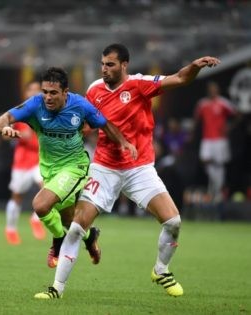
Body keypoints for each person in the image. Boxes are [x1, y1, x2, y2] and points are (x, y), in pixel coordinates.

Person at [34, 44, 220, 299]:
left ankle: (161, 270)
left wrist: (195, 67)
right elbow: (87, 123)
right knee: (77, 227)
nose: (105, 69)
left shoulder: (140, 84)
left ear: (124, 65)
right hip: (104, 168)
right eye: (103, 64)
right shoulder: (94, 90)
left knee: (173, 221)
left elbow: (179, 78)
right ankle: (56, 288)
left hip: (139, 168)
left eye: (110, 64)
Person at [0, 67, 137, 268]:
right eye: (45, 92)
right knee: (69, 219)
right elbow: (2, 119)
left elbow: (105, 124)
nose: (48, 97)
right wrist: (5, 128)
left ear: (65, 92)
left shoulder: (80, 105)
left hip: (74, 167)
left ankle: (58, 241)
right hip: (49, 169)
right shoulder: (35, 104)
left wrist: (123, 142)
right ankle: (89, 237)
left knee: (41, 205)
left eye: (53, 93)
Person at [4, 80, 46, 245]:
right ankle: (11, 229)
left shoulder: (46, 112)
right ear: (26, 93)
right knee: (16, 197)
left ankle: (36, 218)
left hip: (40, 160)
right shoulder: (19, 112)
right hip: (22, 163)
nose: (35, 93)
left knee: (48, 188)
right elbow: (4, 133)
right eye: (32, 90)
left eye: (38, 90)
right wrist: (18, 134)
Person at [195, 81, 236, 203]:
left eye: (215, 89)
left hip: (220, 140)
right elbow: (197, 120)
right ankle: (216, 188)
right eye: (210, 89)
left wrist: (229, 127)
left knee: (219, 165)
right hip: (207, 139)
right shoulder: (202, 104)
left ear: (217, 90)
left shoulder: (223, 102)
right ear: (208, 90)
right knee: (206, 161)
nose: (212, 91)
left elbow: (236, 113)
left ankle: (217, 192)